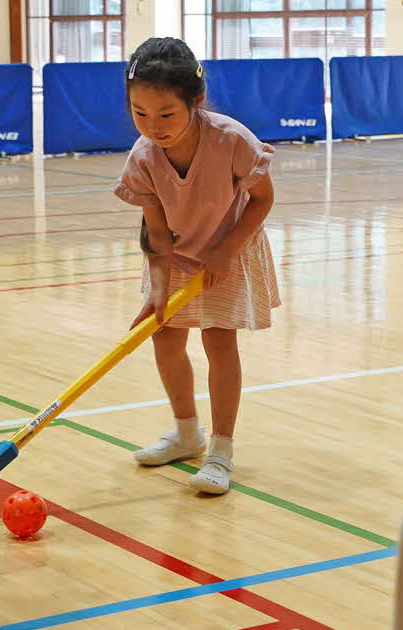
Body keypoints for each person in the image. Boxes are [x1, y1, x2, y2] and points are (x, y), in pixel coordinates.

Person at [113, 37, 279, 495]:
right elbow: (157, 231)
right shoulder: (143, 157)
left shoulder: (231, 140)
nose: (153, 126)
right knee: (165, 339)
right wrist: (159, 288)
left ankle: (221, 450)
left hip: (231, 248)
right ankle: (187, 434)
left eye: (166, 114)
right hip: (175, 255)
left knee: (218, 341)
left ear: (196, 100)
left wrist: (225, 251)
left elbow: (262, 200)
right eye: (139, 113)